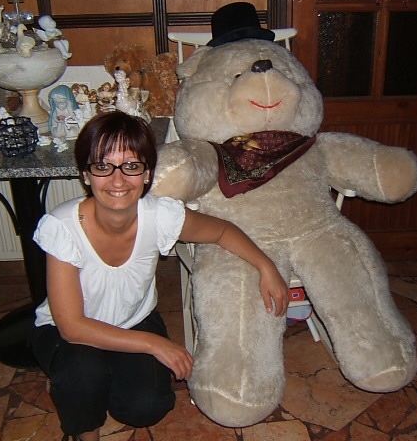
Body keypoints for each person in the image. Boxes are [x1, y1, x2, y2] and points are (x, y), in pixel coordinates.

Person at [30, 111, 289, 441]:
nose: (118, 180)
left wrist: (267, 267)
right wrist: (155, 344)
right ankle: (79, 406)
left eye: (131, 166)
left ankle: (93, 381)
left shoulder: (159, 215)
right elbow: (72, 327)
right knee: (82, 373)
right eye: (103, 166)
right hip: (66, 332)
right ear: (86, 174)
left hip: (133, 320)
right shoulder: (62, 226)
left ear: (147, 173)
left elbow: (223, 231)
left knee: (145, 407)